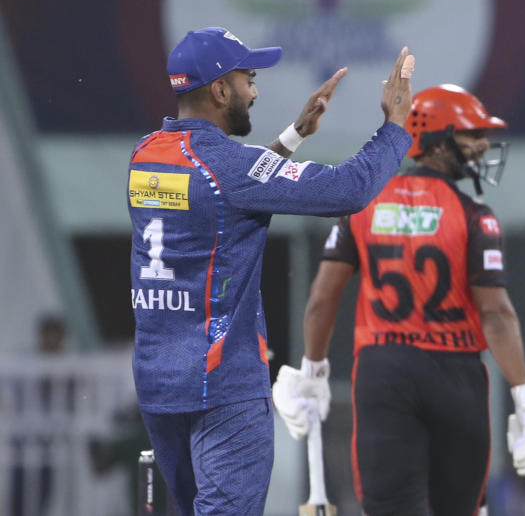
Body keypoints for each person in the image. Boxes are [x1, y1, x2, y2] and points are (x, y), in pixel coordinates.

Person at [127, 26, 415, 516]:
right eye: (249, 78)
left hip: (160, 386)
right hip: (223, 388)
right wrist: (395, 127)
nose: (255, 91)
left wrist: (293, 136)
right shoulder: (229, 169)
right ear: (220, 90)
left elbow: (224, 193)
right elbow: (349, 191)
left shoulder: (145, 155)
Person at [272, 84, 525, 516]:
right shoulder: (474, 215)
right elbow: (496, 313)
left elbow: (321, 299)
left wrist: (312, 370)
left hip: (383, 372)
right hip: (456, 376)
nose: (483, 146)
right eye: (471, 135)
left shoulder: (363, 204)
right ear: (436, 140)